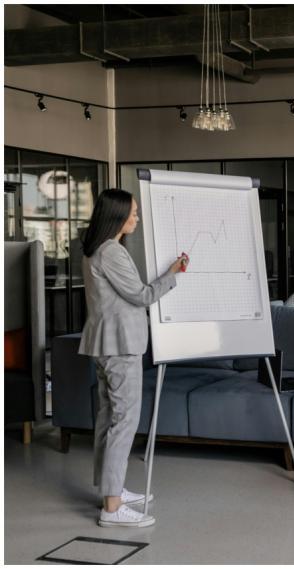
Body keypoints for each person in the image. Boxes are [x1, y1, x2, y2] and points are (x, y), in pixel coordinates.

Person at [79, 189, 188, 528]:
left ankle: (113, 491)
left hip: (105, 344)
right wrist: (173, 274)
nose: (137, 218)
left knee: (110, 418)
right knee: (123, 423)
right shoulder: (111, 252)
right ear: (117, 216)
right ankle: (111, 509)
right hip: (120, 347)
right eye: (133, 213)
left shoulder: (94, 248)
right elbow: (141, 296)